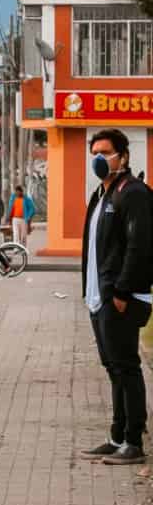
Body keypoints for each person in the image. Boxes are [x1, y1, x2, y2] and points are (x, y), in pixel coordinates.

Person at [81, 128, 153, 464]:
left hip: (120, 297)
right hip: (100, 298)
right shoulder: (101, 195)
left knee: (126, 367)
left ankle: (134, 442)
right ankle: (117, 435)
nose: (98, 158)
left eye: (105, 151)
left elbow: (140, 247)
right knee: (113, 368)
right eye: (94, 151)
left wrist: (123, 292)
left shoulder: (134, 193)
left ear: (123, 156)